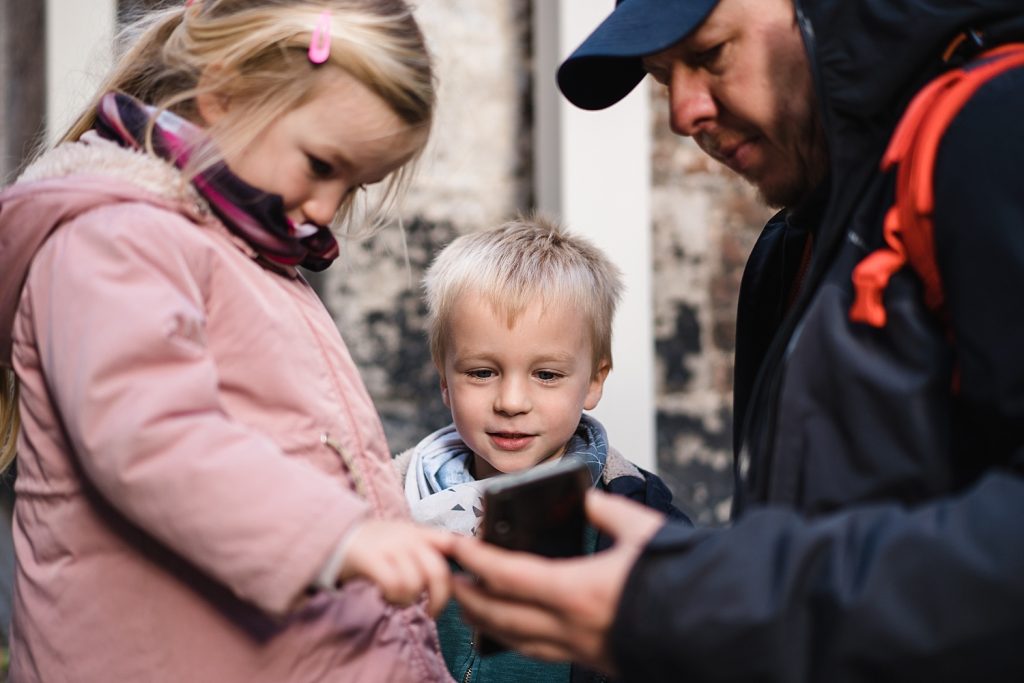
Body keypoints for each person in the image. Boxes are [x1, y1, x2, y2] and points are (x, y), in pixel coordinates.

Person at [449, 0, 1024, 680]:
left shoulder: (994, 127)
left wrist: (696, 592)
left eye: (712, 54)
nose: (682, 113)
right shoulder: (790, 250)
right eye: (664, 76)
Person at [0, 1, 459, 681]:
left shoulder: (245, 252)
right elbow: (152, 438)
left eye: (353, 185)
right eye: (321, 164)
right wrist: (339, 535)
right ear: (222, 92)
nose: (327, 211)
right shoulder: (116, 239)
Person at [394, 214, 687, 682]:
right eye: (481, 372)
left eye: (546, 375)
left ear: (594, 381)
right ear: (443, 380)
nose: (511, 402)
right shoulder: (386, 504)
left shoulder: (639, 519)